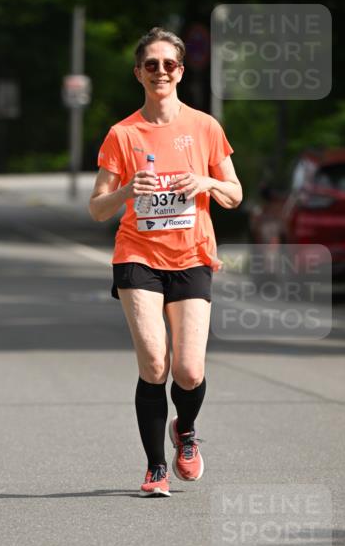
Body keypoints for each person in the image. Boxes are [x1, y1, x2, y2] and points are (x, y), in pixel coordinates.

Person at [89, 27, 242, 497]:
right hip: (137, 254)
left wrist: (206, 182)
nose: (161, 71)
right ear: (138, 72)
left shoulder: (205, 127)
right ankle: (156, 467)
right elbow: (96, 208)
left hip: (192, 255)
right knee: (155, 363)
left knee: (189, 371)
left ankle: (186, 430)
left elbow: (235, 195)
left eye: (169, 64)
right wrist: (123, 191)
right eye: (151, 64)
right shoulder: (123, 133)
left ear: (180, 70)